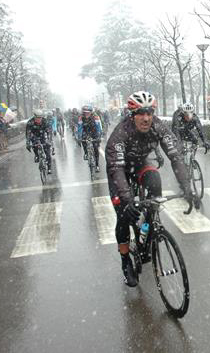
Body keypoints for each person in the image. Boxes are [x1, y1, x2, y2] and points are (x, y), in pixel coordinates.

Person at [106, 91, 196, 287]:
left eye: (150, 112)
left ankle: (147, 227)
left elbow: (176, 157)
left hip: (140, 164)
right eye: (140, 113)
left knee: (154, 179)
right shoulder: (120, 134)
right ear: (132, 114)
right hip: (119, 170)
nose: (146, 118)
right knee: (123, 215)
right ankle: (125, 262)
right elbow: (117, 169)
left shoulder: (158, 126)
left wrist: (186, 186)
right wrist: (127, 200)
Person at [25, 109, 53, 174]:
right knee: (35, 144)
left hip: (42, 135)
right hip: (34, 136)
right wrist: (28, 143)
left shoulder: (44, 121)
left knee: (47, 152)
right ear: (34, 117)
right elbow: (28, 134)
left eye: (40, 117)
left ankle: (49, 168)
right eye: (37, 118)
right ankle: (37, 155)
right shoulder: (30, 122)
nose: (39, 119)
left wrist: (49, 140)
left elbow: (49, 131)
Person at [78, 105, 103, 172]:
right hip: (85, 131)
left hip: (94, 131)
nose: (86, 114)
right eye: (85, 112)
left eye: (88, 112)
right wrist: (79, 136)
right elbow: (80, 127)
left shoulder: (95, 116)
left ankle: (97, 165)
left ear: (91, 112)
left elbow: (98, 127)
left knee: (96, 149)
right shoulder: (81, 117)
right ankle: (86, 153)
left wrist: (99, 135)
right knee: (83, 140)